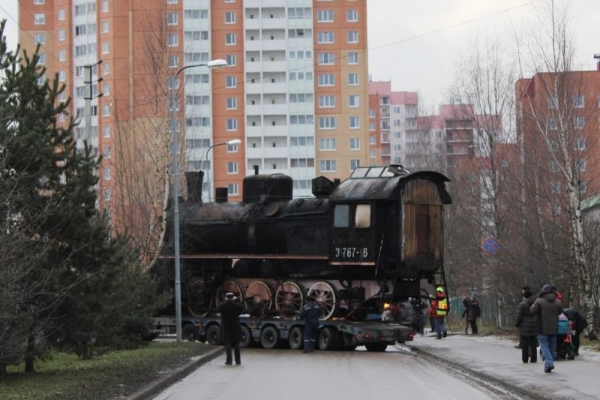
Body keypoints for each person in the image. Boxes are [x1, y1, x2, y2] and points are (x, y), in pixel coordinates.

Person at [530, 284, 563, 373]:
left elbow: (532, 311)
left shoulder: (539, 301)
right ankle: (547, 366)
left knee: (544, 346)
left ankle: (549, 362)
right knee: (552, 347)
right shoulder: (557, 301)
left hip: (542, 327)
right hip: (554, 327)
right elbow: (560, 312)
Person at [218, 292, 245, 366]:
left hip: (226, 326)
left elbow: (220, 306)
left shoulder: (222, 306)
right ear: (233, 298)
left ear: (226, 298)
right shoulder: (237, 306)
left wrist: (225, 301)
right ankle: (238, 361)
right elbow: (242, 307)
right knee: (236, 344)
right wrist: (236, 300)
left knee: (228, 344)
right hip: (235, 326)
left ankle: (229, 360)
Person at [515, 287, 537, 363]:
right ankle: (534, 358)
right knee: (533, 343)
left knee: (524, 344)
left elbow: (519, 316)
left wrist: (517, 324)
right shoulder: (536, 303)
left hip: (524, 326)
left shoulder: (522, 304)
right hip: (534, 325)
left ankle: (525, 359)